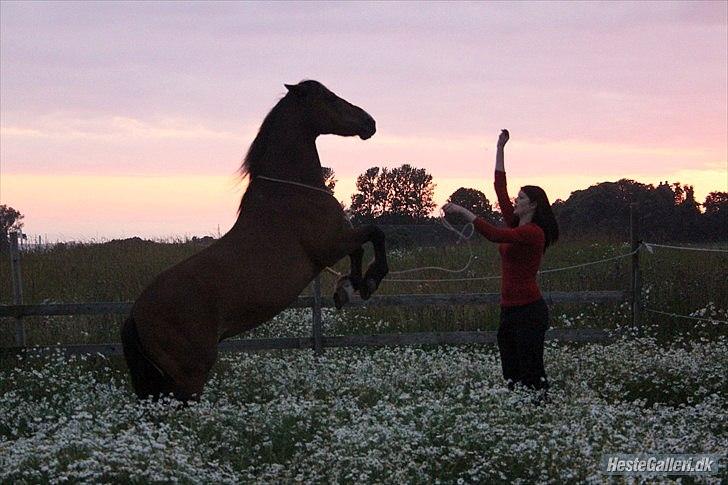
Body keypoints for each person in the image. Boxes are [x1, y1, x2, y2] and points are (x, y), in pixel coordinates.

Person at [442, 129, 558, 392]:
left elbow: (494, 235)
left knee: (531, 370)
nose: (516, 201)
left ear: (533, 206)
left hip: (529, 310)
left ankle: (540, 413)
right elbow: (500, 187)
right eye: (518, 198)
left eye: (522, 199)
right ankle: (520, 413)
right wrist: (500, 148)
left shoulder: (532, 232)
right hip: (509, 309)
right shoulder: (517, 223)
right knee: (511, 371)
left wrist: (463, 212)